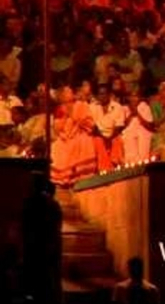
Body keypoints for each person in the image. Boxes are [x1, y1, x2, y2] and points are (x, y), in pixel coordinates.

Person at [22, 172, 62, 304]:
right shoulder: (51, 204)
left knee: (40, 281)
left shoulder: (33, 202)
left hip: (39, 246)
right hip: (44, 246)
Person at [51, 86, 97, 186]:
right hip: (65, 137)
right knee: (56, 147)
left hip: (80, 134)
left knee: (79, 143)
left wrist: (73, 114)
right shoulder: (60, 109)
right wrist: (65, 118)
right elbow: (57, 128)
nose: (69, 92)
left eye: (70, 91)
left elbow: (89, 124)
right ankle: (64, 178)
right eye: (66, 91)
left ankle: (79, 176)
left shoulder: (81, 105)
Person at [91, 84, 125, 171]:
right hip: (98, 135)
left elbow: (118, 126)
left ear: (109, 94)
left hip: (113, 134)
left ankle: (115, 166)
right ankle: (104, 169)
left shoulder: (117, 107)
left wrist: (110, 138)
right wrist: (104, 138)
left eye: (105, 93)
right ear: (97, 95)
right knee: (98, 142)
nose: (103, 96)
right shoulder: (92, 107)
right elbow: (93, 127)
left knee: (116, 140)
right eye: (100, 94)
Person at [122, 88, 153, 163]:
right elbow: (123, 126)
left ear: (139, 97)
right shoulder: (124, 108)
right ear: (128, 98)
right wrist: (131, 114)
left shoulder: (145, 107)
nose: (133, 99)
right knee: (128, 137)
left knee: (143, 135)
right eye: (131, 96)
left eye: (136, 96)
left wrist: (138, 114)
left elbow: (149, 126)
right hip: (129, 134)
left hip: (143, 133)